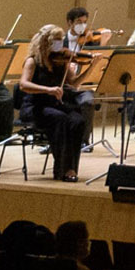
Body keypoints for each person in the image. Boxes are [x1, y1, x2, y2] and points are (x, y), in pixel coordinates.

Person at [17, 25, 88, 182]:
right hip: (35, 107)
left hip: (55, 105)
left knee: (78, 121)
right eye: (56, 41)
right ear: (45, 42)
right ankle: (62, 169)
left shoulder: (61, 61)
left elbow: (75, 84)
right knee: (60, 119)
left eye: (60, 41)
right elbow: (23, 85)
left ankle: (71, 168)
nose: (60, 44)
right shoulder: (32, 61)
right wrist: (48, 89)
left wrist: (92, 67)